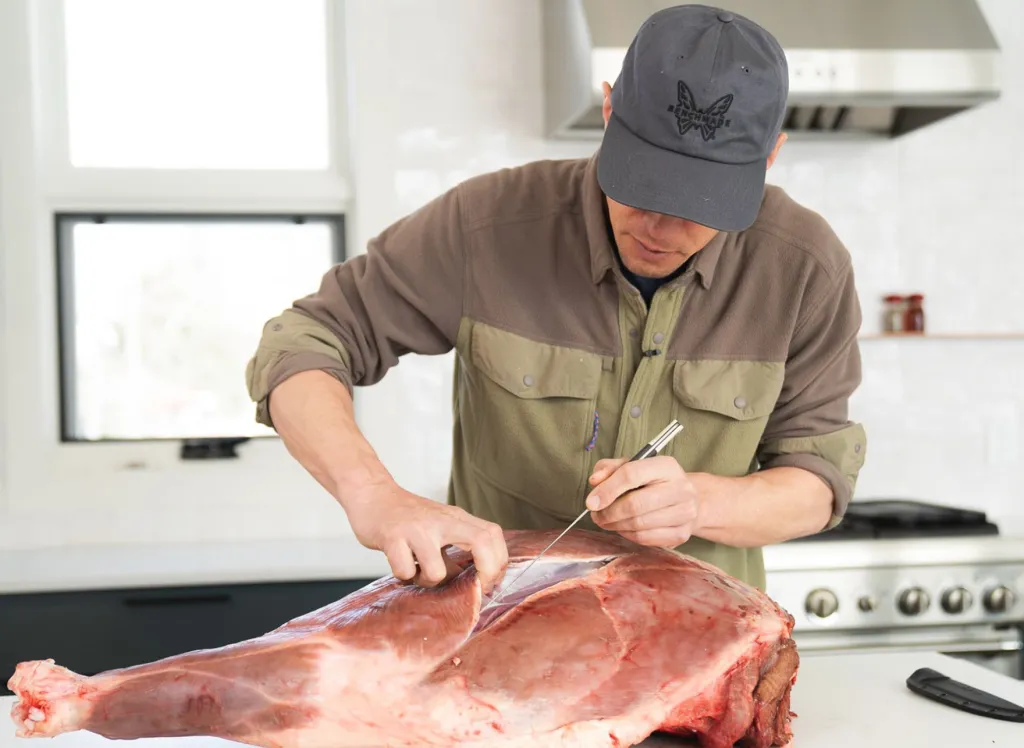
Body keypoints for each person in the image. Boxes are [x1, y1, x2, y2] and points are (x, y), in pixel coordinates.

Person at [244, 4, 867, 594]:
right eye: (643, 187)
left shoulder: (805, 268)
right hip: (502, 640)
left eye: (698, 206)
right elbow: (303, 343)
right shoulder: (486, 227)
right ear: (608, 109)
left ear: (772, 155)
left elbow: (818, 481)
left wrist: (702, 502)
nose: (659, 228)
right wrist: (375, 496)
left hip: (702, 655)